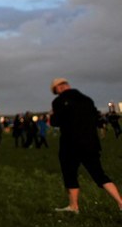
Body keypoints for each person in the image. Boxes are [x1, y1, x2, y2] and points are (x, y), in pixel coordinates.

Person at [49, 77, 122, 213]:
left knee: (70, 174)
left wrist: (52, 115)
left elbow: (55, 121)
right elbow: (95, 118)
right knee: (99, 174)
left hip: (70, 144)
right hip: (90, 142)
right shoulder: (87, 99)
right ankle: (120, 202)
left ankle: (74, 206)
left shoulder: (58, 101)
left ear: (56, 89)